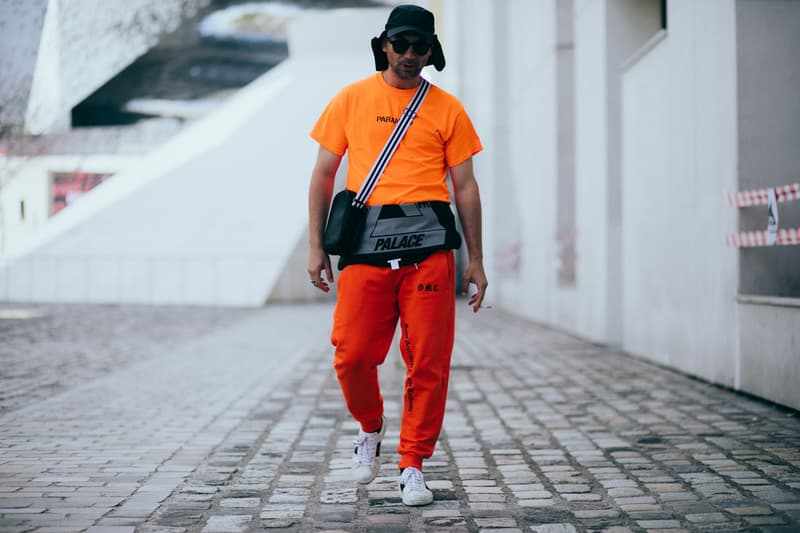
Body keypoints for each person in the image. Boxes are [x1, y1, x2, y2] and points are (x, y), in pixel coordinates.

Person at [306, 4, 487, 507]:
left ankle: (413, 463)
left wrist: (476, 259)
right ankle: (371, 427)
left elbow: (466, 188)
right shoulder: (352, 98)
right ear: (384, 44)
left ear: (432, 52)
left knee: (428, 361)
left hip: (430, 247)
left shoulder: (448, 108)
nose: (410, 55)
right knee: (352, 355)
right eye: (401, 44)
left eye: (420, 47)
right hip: (365, 247)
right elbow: (323, 175)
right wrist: (316, 246)